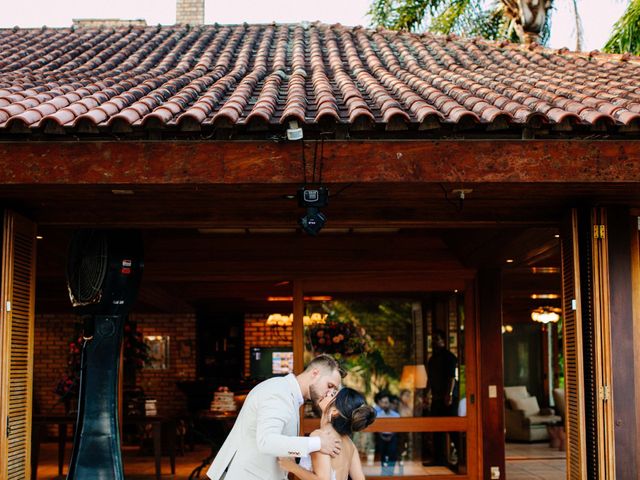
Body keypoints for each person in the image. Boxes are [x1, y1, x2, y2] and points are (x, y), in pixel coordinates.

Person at [206, 354, 344, 480]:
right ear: (315, 373)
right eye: (329, 385)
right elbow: (267, 441)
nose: (329, 393)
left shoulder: (288, 393)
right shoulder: (278, 392)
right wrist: (318, 443)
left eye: (334, 390)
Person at [278, 387, 376, 480]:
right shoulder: (350, 444)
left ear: (334, 412)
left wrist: (292, 467)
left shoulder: (320, 437)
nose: (328, 391)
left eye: (333, 394)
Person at [425, 329, 459, 467]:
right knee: (436, 429)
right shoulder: (432, 359)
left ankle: (463, 458)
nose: (434, 341)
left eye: (437, 338)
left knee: (453, 429)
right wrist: (426, 394)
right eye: (432, 339)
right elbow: (430, 379)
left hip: (448, 399)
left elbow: (452, 377)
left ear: (444, 341)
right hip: (436, 398)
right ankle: (439, 459)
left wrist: (449, 395)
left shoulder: (449, 357)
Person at [373, 390, 400, 475]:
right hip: (381, 437)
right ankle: (384, 472)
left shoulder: (396, 415)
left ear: (390, 403)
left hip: (393, 437)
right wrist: (381, 435)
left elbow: (398, 428)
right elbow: (376, 427)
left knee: (392, 455)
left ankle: (390, 473)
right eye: (383, 402)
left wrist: (391, 435)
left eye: (387, 402)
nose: (385, 404)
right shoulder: (378, 414)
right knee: (383, 455)